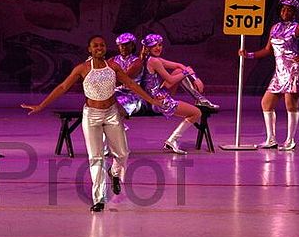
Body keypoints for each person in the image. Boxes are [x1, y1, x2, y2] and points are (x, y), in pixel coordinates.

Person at [21, 35, 162, 212]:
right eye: (95, 46)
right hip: (92, 116)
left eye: (102, 45)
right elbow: (63, 87)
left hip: (111, 114)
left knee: (123, 153)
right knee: (96, 157)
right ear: (89, 49)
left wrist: (152, 100)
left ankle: (115, 172)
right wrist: (41, 105)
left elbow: (132, 85)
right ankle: (99, 198)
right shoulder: (83, 68)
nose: (99, 48)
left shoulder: (113, 66)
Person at [239, 0, 299, 151]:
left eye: (289, 10)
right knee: (266, 103)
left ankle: (290, 140)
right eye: (283, 9)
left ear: (294, 13)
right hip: (279, 72)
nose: (285, 12)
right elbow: (267, 50)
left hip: (293, 70)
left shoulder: (297, 28)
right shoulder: (274, 28)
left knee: (290, 105)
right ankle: (271, 139)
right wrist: (248, 55)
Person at [139, 34, 202, 155]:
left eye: (160, 45)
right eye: (154, 46)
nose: (158, 48)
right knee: (196, 113)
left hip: (156, 94)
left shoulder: (152, 59)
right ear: (148, 48)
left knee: (178, 71)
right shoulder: (154, 61)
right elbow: (171, 80)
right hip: (156, 100)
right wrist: (187, 72)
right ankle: (172, 140)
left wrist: (194, 78)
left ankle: (200, 99)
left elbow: (179, 66)